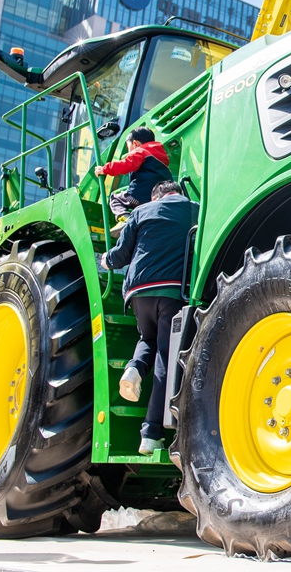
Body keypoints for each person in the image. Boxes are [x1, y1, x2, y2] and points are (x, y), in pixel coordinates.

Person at [103, 180, 198, 455]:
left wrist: (106, 261)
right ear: (177, 193)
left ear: (156, 195)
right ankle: (151, 434)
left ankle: (133, 368)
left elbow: (121, 255)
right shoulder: (193, 209)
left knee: (148, 338)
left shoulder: (141, 212)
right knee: (166, 360)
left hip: (138, 293)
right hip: (171, 291)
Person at [95, 127, 173, 235]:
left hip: (140, 195)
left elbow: (125, 165)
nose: (129, 152)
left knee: (116, 198)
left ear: (135, 144)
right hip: (157, 199)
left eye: (128, 148)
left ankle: (125, 219)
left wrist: (104, 169)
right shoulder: (163, 161)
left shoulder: (141, 151)